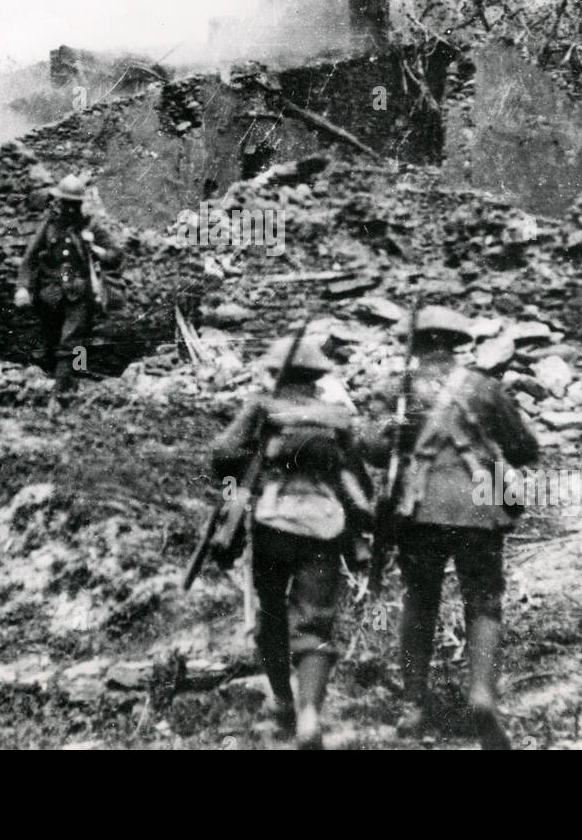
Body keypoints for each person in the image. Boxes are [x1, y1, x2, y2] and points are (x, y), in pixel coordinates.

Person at [370, 305, 540, 749]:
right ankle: (482, 696)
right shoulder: (484, 388)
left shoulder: (397, 390)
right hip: (479, 510)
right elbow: (524, 449)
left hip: (419, 510)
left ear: (417, 343)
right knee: (484, 601)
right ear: (456, 342)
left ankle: (413, 707)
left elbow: (373, 448)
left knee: (419, 600)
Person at [209, 334, 373, 750]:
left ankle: (282, 699)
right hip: (325, 525)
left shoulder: (263, 407)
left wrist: (244, 471)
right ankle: (310, 714)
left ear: (276, 373)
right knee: (314, 622)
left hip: (271, 522)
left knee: (269, 612)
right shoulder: (337, 415)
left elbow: (222, 453)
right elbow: (359, 478)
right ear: (316, 377)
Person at [15, 173, 118, 410]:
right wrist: (22, 288)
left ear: (80, 204)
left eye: (74, 204)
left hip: (79, 293)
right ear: (59, 202)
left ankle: (58, 396)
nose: (69, 209)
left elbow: (116, 255)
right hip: (50, 293)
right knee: (55, 343)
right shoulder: (49, 226)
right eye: (65, 203)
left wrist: (96, 248)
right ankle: (70, 381)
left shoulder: (91, 226)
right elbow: (28, 259)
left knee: (71, 341)